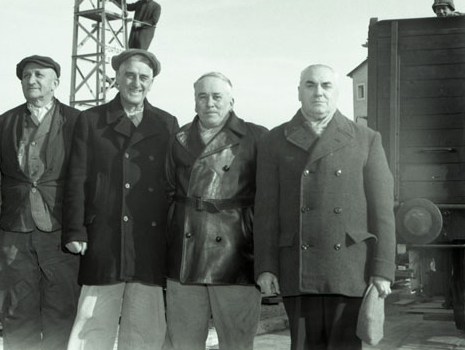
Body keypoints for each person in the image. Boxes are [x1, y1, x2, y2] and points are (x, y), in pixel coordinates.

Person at [254, 64, 396, 350]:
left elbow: (382, 212)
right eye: (310, 85)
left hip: (349, 268)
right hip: (298, 268)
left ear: (336, 92)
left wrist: (383, 270)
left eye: (326, 85)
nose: (318, 92)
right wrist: (266, 267)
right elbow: (266, 211)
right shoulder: (274, 141)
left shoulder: (366, 139)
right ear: (299, 92)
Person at [62, 49, 178, 350]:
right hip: (103, 237)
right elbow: (76, 179)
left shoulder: (166, 123)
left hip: (148, 241)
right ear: (116, 78)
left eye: (144, 77)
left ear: (151, 83)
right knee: (93, 323)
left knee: (145, 327)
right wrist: (75, 230)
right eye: (129, 75)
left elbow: (172, 185)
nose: (136, 83)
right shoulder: (91, 120)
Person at [164, 72, 267, 350]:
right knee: (183, 343)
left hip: (236, 254)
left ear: (231, 101)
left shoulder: (256, 137)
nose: (210, 102)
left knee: (237, 343)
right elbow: (167, 192)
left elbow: (269, 199)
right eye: (203, 96)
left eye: (217, 96)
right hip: (186, 256)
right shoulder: (179, 138)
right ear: (195, 102)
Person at [0, 55, 81, 350]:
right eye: (26, 76)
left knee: (62, 310)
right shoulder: (5, 121)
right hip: (14, 230)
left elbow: (87, 179)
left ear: (55, 83)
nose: (31, 80)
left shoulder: (76, 121)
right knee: (16, 309)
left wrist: (81, 229)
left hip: (60, 229)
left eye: (39, 75)